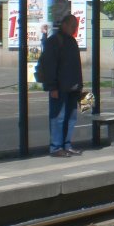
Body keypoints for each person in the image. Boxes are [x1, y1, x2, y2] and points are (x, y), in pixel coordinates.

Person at [42, 14, 83, 157]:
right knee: (58, 117)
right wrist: (52, 86)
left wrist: (79, 86)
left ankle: (67, 145)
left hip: (73, 87)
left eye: (76, 26)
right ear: (64, 25)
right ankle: (56, 147)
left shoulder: (72, 41)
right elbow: (49, 66)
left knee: (71, 118)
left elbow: (76, 66)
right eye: (73, 26)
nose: (75, 29)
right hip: (59, 88)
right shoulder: (54, 41)